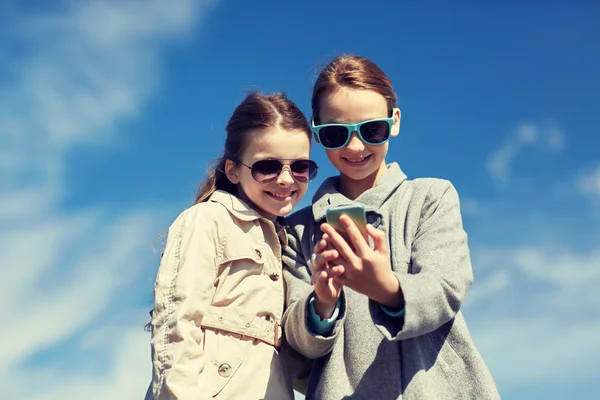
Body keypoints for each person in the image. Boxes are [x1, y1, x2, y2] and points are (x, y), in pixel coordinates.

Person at [282, 55, 501, 399]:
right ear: (318, 133)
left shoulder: (431, 197)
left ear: (394, 121)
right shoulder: (297, 229)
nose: (355, 147)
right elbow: (297, 342)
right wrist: (321, 304)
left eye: (371, 129)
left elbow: (447, 287)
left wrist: (387, 288)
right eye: (337, 133)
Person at [146, 92, 318, 400]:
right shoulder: (207, 220)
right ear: (233, 170)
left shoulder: (287, 244)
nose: (285, 179)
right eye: (268, 166)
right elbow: (176, 322)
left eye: (300, 167)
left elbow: (298, 366)